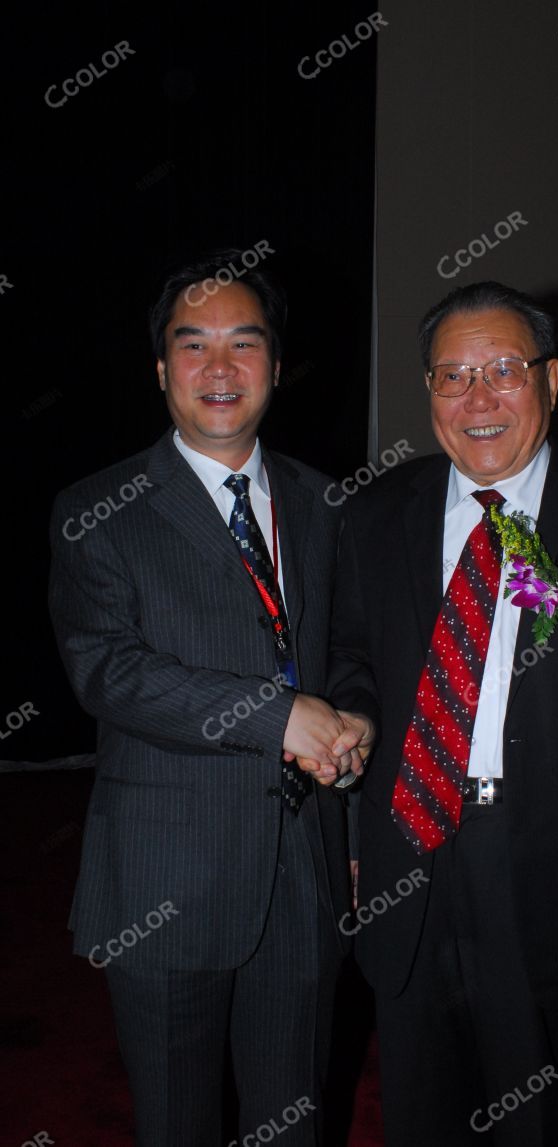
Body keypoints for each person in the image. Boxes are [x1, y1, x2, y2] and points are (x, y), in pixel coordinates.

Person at [326, 281, 558, 1145]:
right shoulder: (378, 513)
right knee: (420, 1110)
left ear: (554, 379)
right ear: (427, 391)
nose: (478, 398)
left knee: (549, 1116)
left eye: (503, 369)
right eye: (451, 376)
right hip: (412, 852)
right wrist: (354, 823)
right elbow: (354, 664)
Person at [48, 250, 375, 1147]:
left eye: (245, 343)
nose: (221, 368)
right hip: (164, 877)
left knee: (293, 1123)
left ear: (276, 362)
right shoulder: (99, 507)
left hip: (304, 876)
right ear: (161, 369)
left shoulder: (321, 502)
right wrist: (280, 717)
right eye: (195, 347)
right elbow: (106, 669)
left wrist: (354, 722)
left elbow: (344, 651)